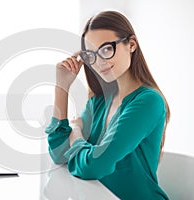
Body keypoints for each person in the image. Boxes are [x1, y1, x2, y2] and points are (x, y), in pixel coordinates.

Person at [45, 10, 170, 199]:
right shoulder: (100, 100)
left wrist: (77, 132)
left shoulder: (148, 102)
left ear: (131, 45)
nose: (99, 62)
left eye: (106, 49)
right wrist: (62, 88)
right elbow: (59, 153)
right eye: (92, 54)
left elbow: (94, 166)